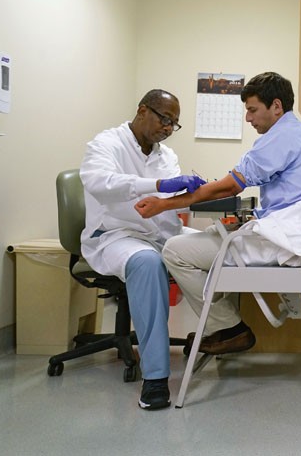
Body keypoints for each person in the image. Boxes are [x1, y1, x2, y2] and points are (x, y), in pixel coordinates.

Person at [134, 72, 301, 356]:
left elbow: (227, 188)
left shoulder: (280, 138)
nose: (248, 118)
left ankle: (229, 328)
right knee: (201, 240)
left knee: (174, 251)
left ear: (276, 107)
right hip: (299, 243)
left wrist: (162, 204)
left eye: (252, 110)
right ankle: (219, 324)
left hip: (280, 247)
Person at [80, 89, 205, 411]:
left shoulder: (166, 156)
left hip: (158, 233)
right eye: (165, 119)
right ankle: (156, 379)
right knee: (148, 264)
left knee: (217, 245)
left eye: (174, 124)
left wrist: (189, 196)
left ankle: (223, 333)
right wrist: (160, 186)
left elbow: (167, 211)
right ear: (142, 110)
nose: (167, 128)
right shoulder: (107, 144)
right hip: (115, 236)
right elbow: (100, 182)